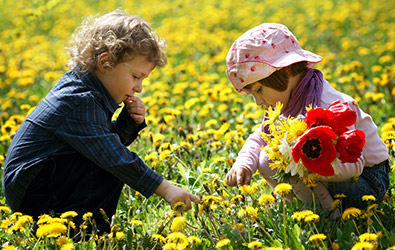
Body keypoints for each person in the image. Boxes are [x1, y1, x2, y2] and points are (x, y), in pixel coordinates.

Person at [2, 10, 199, 234]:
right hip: (34, 190)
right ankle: (82, 235)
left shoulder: (86, 88)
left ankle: (84, 231)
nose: (139, 88)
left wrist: (127, 124)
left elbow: (100, 143)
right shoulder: (79, 100)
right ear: (105, 62)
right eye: (136, 77)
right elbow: (113, 156)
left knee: (107, 162)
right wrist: (166, 189)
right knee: (112, 166)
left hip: (39, 180)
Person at [225, 23, 390, 211]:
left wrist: (307, 164)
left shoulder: (329, 106)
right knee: (267, 158)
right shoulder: (287, 103)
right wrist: (244, 164)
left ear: (285, 70)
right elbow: (261, 137)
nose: (258, 102)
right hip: (332, 176)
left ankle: (326, 216)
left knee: (287, 161)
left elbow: (355, 165)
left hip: (365, 182)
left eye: (259, 91)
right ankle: (303, 209)